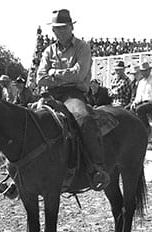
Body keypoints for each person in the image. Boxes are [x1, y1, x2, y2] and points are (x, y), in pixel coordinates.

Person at [36, 9, 110, 191]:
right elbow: (39, 78)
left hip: (73, 94)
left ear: (71, 27)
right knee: (29, 119)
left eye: (63, 27)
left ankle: (96, 167)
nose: (59, 31)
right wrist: (59, 76)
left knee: (82, 117)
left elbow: (79, 75)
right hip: (51, 95)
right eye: (56, 28)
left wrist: (53, 74)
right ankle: (19, 171)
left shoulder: (82, 47)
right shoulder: (48, 50)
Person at [130, 62, 152, 133]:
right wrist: (134, 102)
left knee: (140, 109)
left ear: (149, 71)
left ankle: (146, 128)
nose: (144, 73)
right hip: (144, 102)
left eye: (145, 71)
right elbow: (139, 95)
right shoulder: (141, 82)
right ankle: (135, 130)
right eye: (142, 71)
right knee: (131, 109)